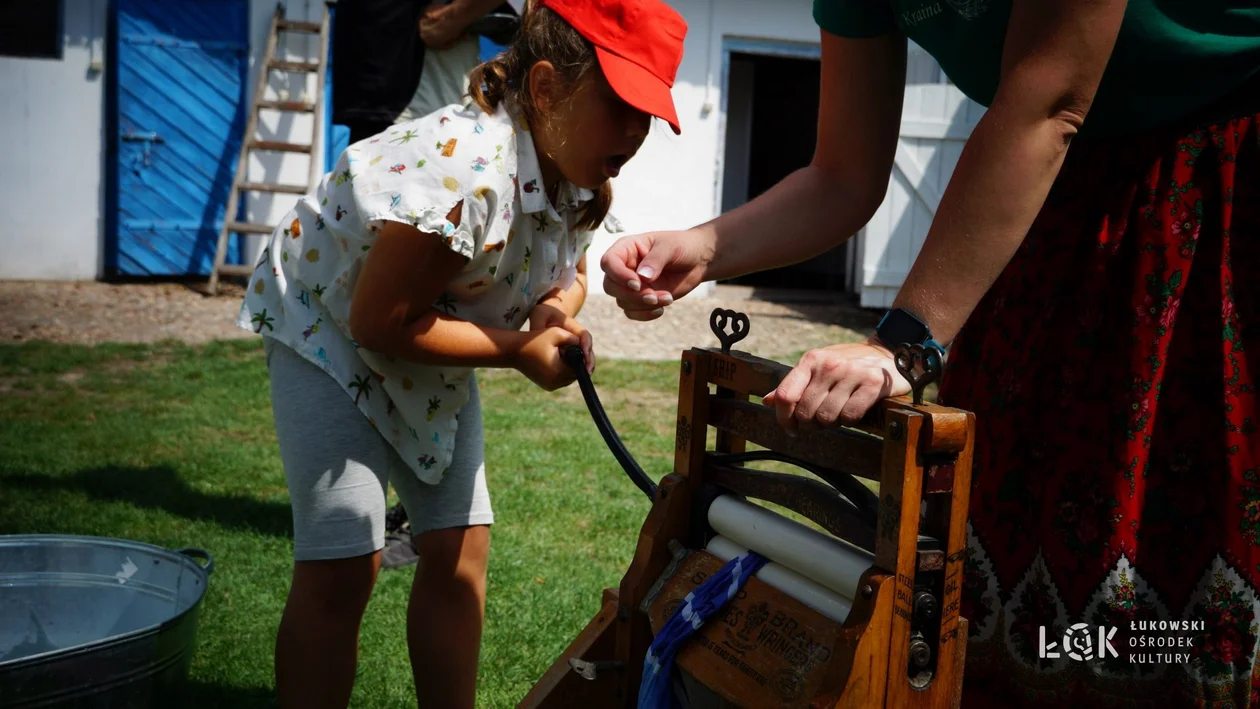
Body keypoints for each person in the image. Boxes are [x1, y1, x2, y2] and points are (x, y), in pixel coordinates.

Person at [600, 1, 1260, 706]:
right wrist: (707, 246)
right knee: (1003, 588)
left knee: (1176, 586)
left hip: (1217, 188)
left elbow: (1049, 103)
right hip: (1042, 205)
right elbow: (844, 174)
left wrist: (903, 344)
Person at [236, 0, 687, 706]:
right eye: (620, 105)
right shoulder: (466, 169)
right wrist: (517, 350)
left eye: (648, 114)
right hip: (326, 329)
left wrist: (549, 312)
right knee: (346, 560)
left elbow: (568, 275)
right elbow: (379, 320)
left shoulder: (579, 167)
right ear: (544, 89)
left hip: (428, 331)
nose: (635, 131)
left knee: (459, 550)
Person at [381, 0, 526, 570]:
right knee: (407, 341)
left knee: (435, 351)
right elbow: (431, 25)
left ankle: (418, 513)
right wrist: (518, 351)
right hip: (430, 158)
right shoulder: (466, 158)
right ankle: (411, 512)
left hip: (451, 153)